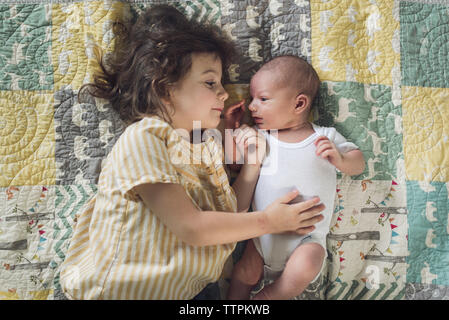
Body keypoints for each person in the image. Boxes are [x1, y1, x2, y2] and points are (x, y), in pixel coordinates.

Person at [59, 6, 325, 300]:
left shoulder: (204, 152)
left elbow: (228, 219)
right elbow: (193, 227)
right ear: (164, 88)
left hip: (191, 291)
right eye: (211, 82)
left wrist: (251, 165)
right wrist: (269, 222)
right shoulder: (144, 137)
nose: (224, 94)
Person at [225, 55, 365, 300]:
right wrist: (231, 130)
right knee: (243, 272)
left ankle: (271, 296)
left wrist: (341, 160)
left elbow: (358, 164)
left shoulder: (324, 137)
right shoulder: (260, 137)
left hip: (307, 238)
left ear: (299, 104)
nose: (251, 107)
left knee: (309, 262)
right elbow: (235, 164)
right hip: (262, 235)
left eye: (263, 99)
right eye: (251, 99)